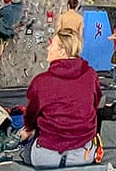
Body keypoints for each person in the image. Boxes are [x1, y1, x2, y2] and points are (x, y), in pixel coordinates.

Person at [18, 28, 101, 168]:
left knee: (23, 149)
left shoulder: (41, 81)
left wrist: (28, 130)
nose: (48, 47)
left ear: (62, 51)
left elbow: (30, 117)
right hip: (83, 154)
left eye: (52, 44)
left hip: (46, 156)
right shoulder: (91, 75)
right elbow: (95, 103)